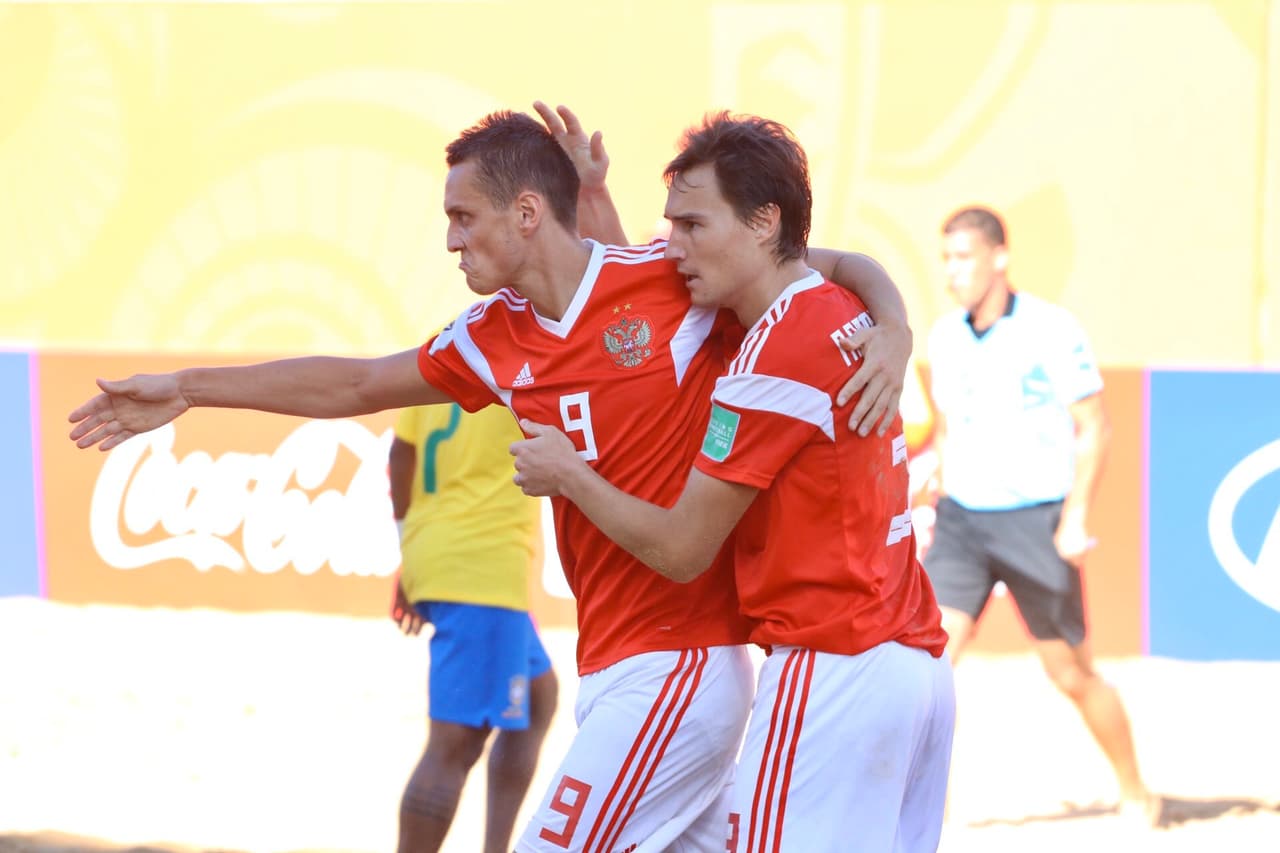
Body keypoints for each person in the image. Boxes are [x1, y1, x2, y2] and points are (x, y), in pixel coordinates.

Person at [67, 105, 912, 852]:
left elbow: (817, 265)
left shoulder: (669, 275)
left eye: (463, 216)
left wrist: (897, 329)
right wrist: (189, 388)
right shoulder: (489, 335)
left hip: (682, 664)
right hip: (614, 664)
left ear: (528, 212)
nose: (449, 239)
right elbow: (356, 384)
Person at [510, 113, 955, 852]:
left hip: (830, 670)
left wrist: (570, 476)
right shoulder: (833, 308)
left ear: (763, 222)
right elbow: (644, 319)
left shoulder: (772, 354)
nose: (671, 246)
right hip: (914, 668)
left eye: (692, 225)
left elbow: (682, 548)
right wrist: (897, 325)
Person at [922, 205, 1154, 822]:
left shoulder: (1051, 328)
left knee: (1071, 674)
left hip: (1035, 524)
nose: (951, 272)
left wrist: (1075, 517)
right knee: (928, 667)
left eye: (963, 257)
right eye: (945, 259)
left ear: (999, 257)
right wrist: (934, 487)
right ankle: (925, 807)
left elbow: (1095, 427)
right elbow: (946, 431)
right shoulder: (943, 337)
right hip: (962, 524)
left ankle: (1135, 789)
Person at [388, 402, 557, 852]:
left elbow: (400, 453)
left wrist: (411, 549)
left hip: (438, 550)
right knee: (454, 742)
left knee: (539, 696)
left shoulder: (437, 360)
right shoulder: (522, 363)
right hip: (484, 566)